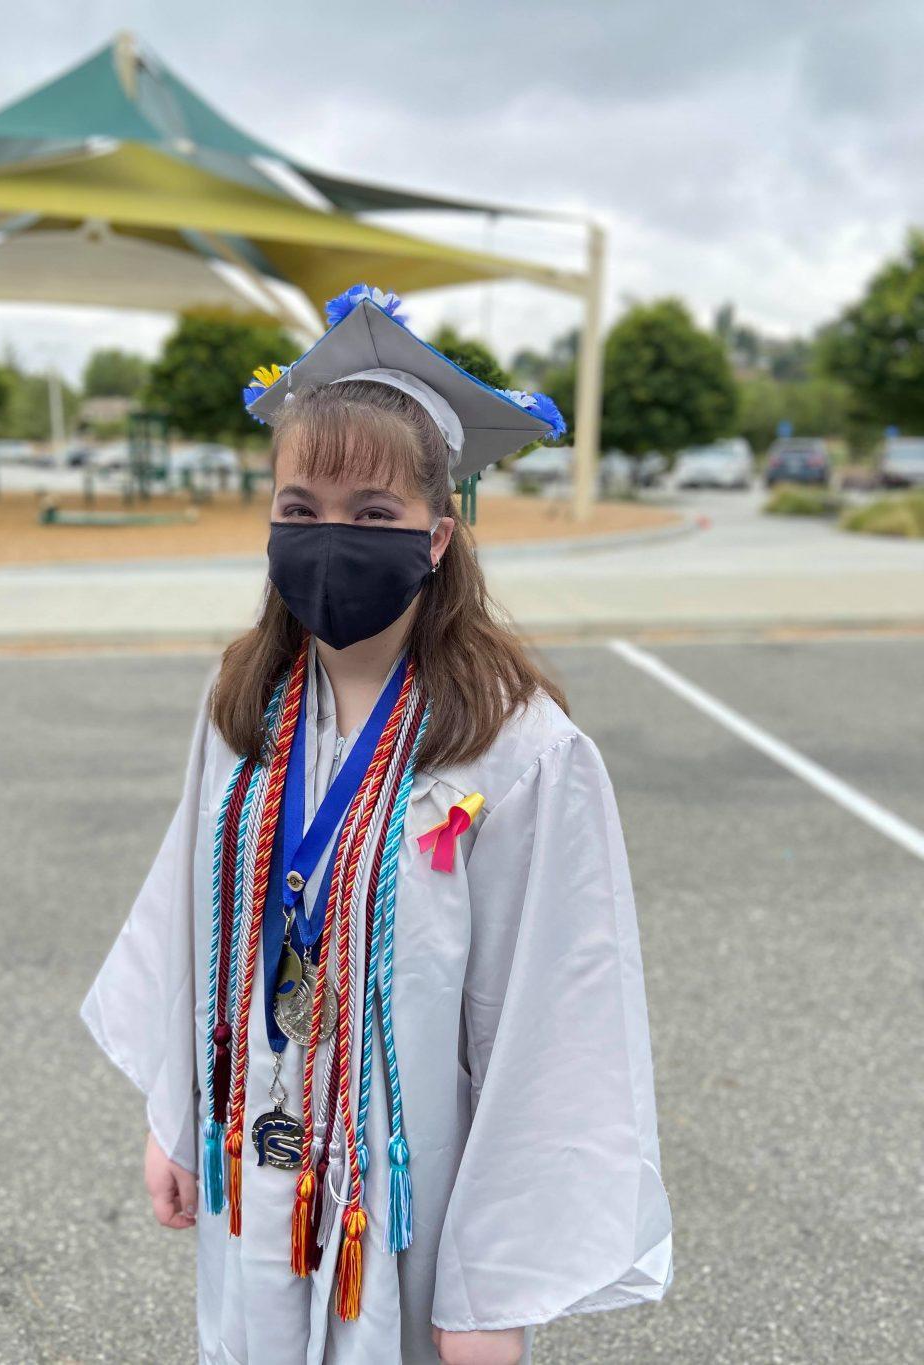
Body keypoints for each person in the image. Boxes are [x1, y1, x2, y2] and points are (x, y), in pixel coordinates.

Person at [81, 283, 672, 1365]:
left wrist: (492, 1291)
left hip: (407, 1205)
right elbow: (186, 929)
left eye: (373, 515)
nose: (329, 539)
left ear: (438, 536)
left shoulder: (516, 753)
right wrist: (171, 1116)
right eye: (300, 510)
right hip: (251, 1172)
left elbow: (552, 1020)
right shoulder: (242, 711)